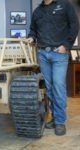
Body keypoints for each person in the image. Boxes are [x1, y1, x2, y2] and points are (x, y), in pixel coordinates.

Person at [27, 0, 79, 136]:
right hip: (43, 54)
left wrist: (67, 45)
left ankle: (60, 122)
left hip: (59, 54)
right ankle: (55, 118)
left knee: (58, 86)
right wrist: (31, 37)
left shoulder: (65, 5)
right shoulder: (37, 11)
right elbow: (33, 30)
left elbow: (74, 25)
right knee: (50, 88)